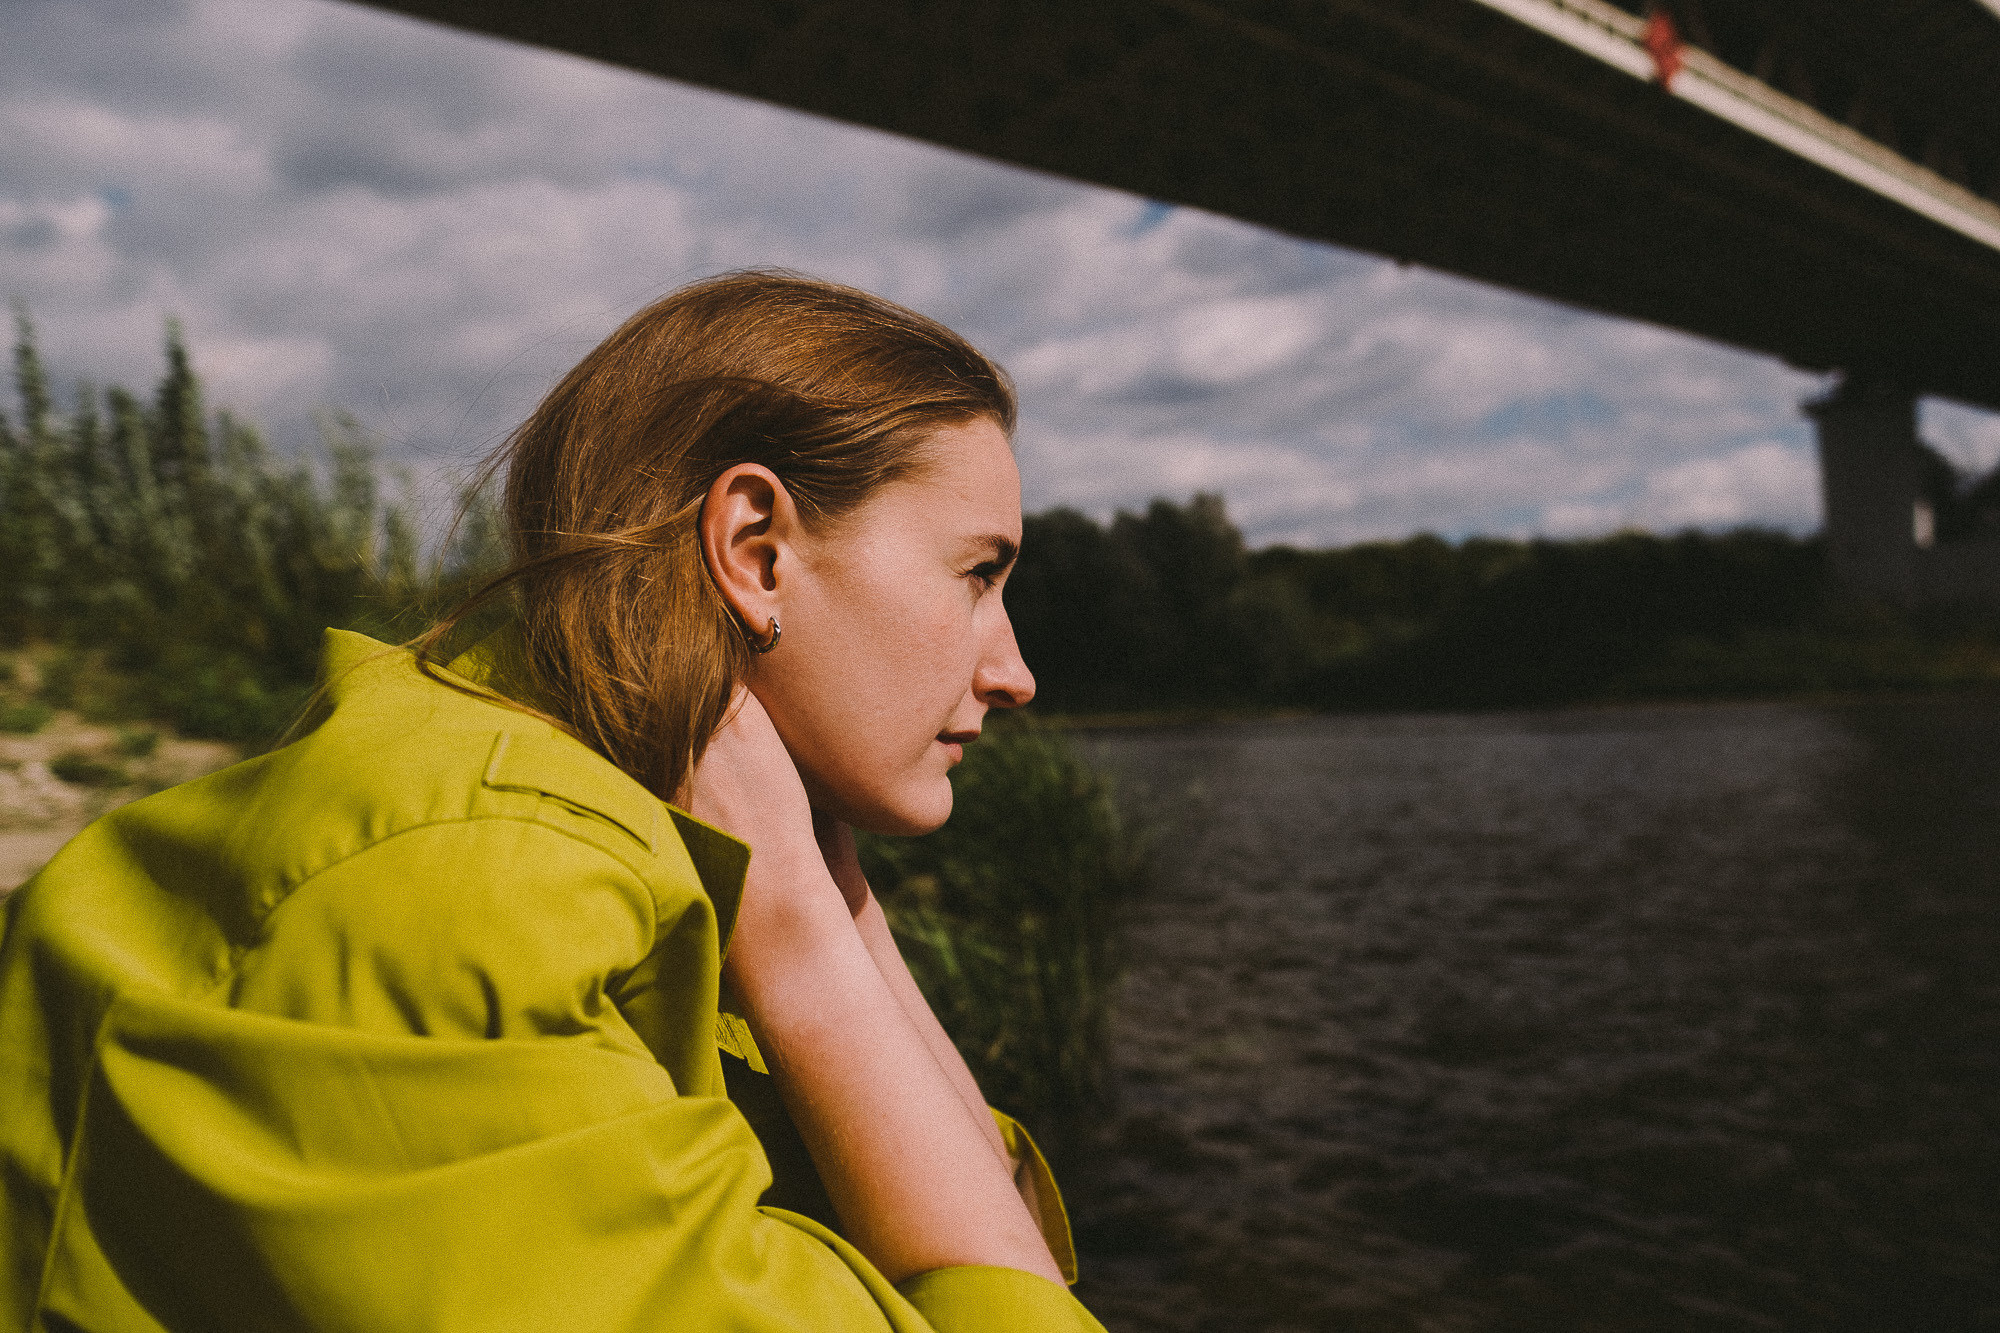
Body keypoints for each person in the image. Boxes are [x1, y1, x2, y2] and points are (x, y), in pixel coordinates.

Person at [0, 272, 1106, 1332]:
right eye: (975, 575)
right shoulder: (477, 889)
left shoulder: (634, 830)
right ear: (755, 551)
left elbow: (1005, 1250)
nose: (1014, 672)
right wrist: (806, 955)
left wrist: (837, 904)